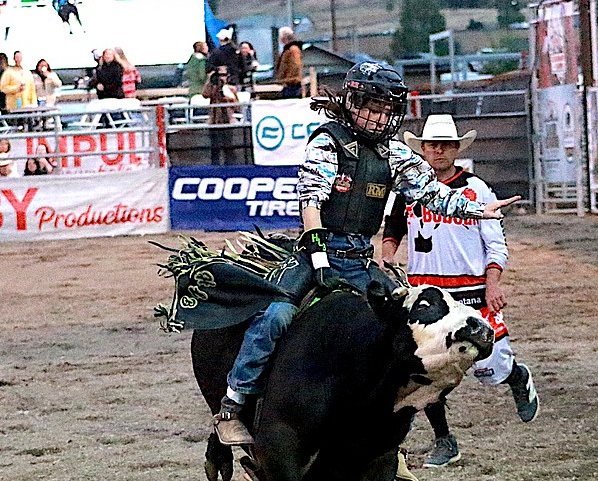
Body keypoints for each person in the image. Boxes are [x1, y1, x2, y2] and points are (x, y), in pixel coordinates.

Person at [212, 63, 520, 446]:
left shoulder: (393, 152)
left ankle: (385, 426)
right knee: (277, 315)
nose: (376, 115)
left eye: (384, 108)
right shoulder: (328, 142)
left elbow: (430, 193)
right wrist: (320, 255)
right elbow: (312, 200)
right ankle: (233, 404)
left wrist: (478, 210)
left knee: (400, 326)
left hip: (360, 260)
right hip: (314, 252)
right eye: (370, 106)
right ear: (353, 102)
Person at [381, 114, 539, 468]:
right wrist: (388, 256)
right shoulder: (408, 190)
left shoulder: (477, 189)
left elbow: (496, 243)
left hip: (471, 292)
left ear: (456, 149)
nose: (437, 150)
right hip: (428, 294)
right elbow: (393, 226)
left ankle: (515, 375)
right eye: (431, 144)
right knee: (426, 371)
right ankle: (444, 440)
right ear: (421, 149)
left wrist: (494, 282)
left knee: (489, 368)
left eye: (445, 145)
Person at [275, 27, 304, 99]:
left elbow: (295, 65)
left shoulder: (293, 49)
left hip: (292, 85)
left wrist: (289, 79)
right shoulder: (287, 50)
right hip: (288, 84)